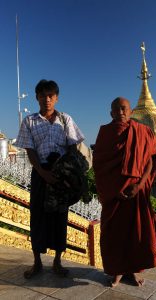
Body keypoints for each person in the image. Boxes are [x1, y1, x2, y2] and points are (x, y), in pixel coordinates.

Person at [15, 79, 84, 278]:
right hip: (40, 172)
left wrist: (66, 171)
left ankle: (57, 262)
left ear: (56, 98)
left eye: (51, 95)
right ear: (37, 97)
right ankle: (37, 262)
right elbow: (30, 150)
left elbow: (72, 146)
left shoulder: (65, 119)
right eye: (43, 95)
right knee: (37, 216)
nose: (47, 99)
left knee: (60, 217)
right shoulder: (29, 121)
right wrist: (43, 173)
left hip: (62, 172)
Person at [93, 97, 156, 287]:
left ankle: (132, 271)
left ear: (131, 111)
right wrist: (112, 189)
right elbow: (99, 164)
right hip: (113, 194)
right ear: (111, 113)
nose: (120, 112)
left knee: (135, 233)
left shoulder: (143, 131)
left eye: (124, 108)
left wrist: (139, 185)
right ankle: (116, 272)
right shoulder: (105, 133)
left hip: (135, 194)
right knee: (113, 234)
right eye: (116, 109)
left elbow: (150, 160)